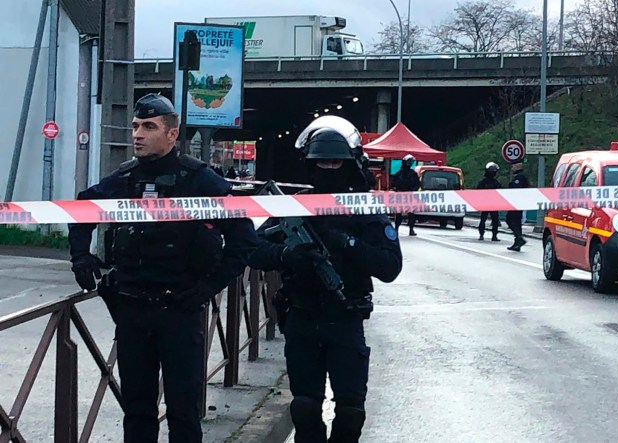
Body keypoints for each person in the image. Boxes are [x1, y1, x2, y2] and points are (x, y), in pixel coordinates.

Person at [67, 93, 311, 443]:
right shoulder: (125, 178)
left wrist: (210, 286)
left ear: (171, 134)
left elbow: (243, 240)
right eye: (135, 126)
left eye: (149, 127)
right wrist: (80, 255)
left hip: (179, 312)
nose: (137, 133)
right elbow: (80, 208)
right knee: (137, 414)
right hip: (132, 310)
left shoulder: (201, 181)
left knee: (184, 414)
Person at [254, 116, 403, 443]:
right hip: (302, 317)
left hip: (345, 318)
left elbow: (391, 265)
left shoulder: (364, 209)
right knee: (305, 409)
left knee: (350, 412)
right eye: (321, 163)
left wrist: (345, 242)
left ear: (351, 165)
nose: (328, 169)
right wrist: (286, 255)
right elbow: (253, 248)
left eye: (335, 162)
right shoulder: (293, 206)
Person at [391, 154, 421, 236]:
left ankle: (410, 229)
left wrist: (412, 190)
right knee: (400, 214)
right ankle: (397, 229)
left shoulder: (412, 174)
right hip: (401, 195)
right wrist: (396, 189)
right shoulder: (399, 174)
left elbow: (417, 184)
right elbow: (393, 184)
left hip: (409, 195)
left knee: (410, 214)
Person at [507, 162, 530, 251]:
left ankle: (519, 238)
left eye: (513, 166)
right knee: (516, 222)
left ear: (517, 166)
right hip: (516, 203)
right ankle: (517, 242)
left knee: (511, 220)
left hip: (516, 203)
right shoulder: (518, 176)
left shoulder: (519, 177)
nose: (512, 168)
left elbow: (517, 190)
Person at [476, 162, 502, 241]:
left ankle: (482, 235)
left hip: (485, 203)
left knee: (483, 219)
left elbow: (477, 192)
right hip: (493, 204)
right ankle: (494, 236)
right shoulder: (495, 183)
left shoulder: (483, 182)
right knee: (494, 220)